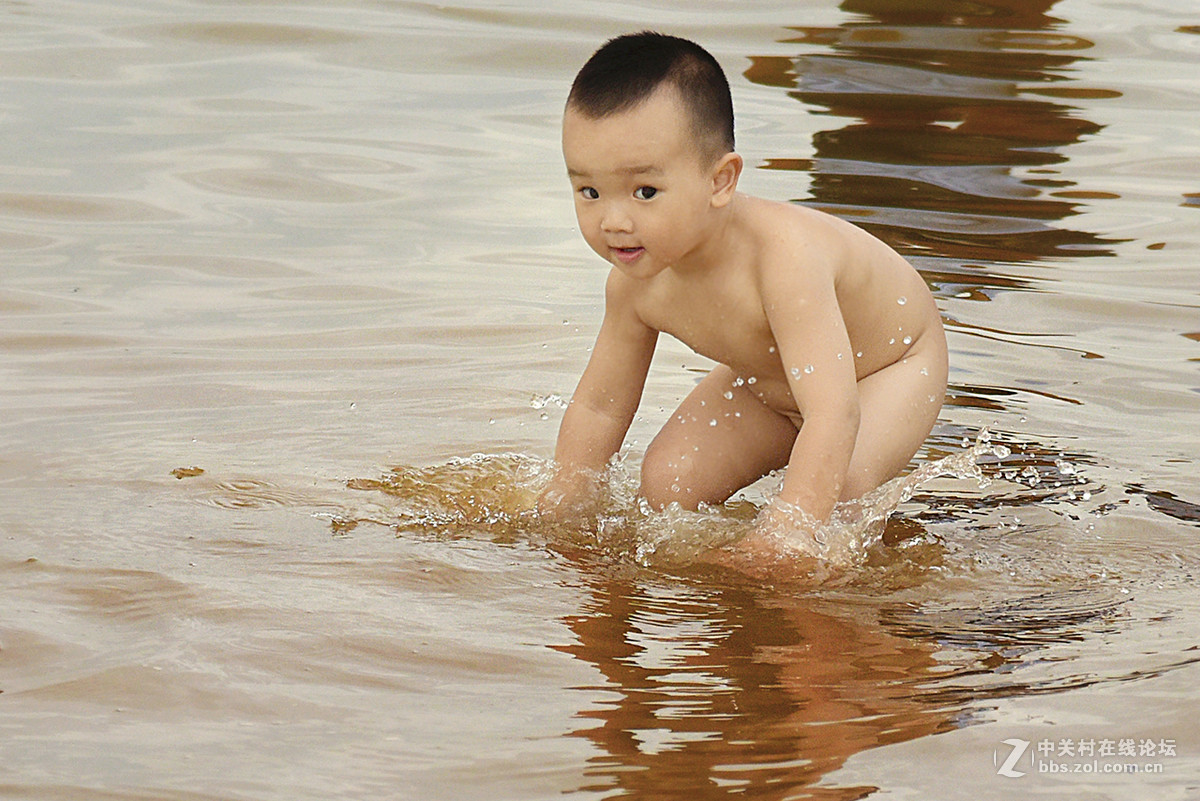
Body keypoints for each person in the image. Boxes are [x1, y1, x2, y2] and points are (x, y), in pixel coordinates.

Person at [540, 31, 948, 550]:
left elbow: (833, 411)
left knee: (836, 494)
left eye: (645, 192)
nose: (614, 220)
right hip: (772, 383)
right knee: (669, 485)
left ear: (720, 181)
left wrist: (787, 531)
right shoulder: (634, 286)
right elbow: (601, 407)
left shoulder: (783, 261)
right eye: (589, 191)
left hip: (890, 367)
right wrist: (566, 500)